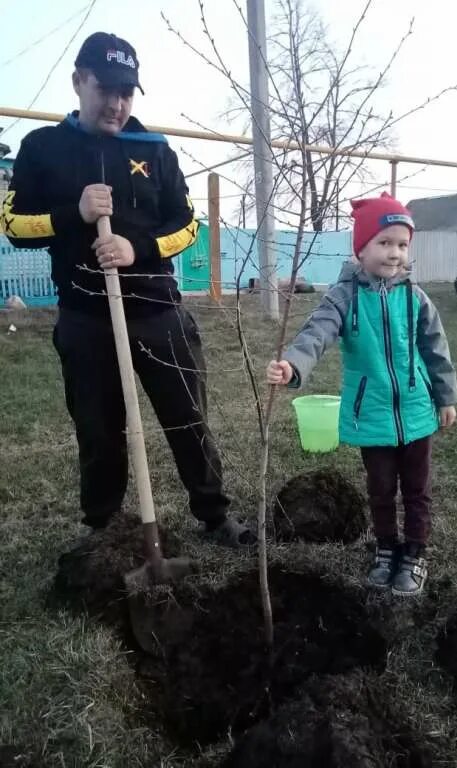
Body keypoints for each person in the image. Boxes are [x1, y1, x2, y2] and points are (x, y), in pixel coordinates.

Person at [1, 32, 254, 547]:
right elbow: (11, 222)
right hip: (84, 316)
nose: (117, 103)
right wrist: (74, 214)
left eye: (127, 91)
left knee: (187, 418)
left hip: (159, 314)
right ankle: (102, 527)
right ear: (79, 82)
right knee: (99, 430)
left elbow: (187, 225)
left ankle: (214, 516)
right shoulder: (43, 149)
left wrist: (137, 248)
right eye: (106, 88)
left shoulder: (153, 150)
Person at [267, 193, 457, 595]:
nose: (394, 253)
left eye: (402, 245)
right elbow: (316, 333)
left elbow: (436, 351)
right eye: (384, 242)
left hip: (417, 412)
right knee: (381, 490)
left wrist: (446, 397)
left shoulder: (416, 298)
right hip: (371, 414)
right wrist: (293, 364)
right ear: (361, 248)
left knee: (418, 491)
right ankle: (387, 548)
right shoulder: (344, 297)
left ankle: (415, 553)